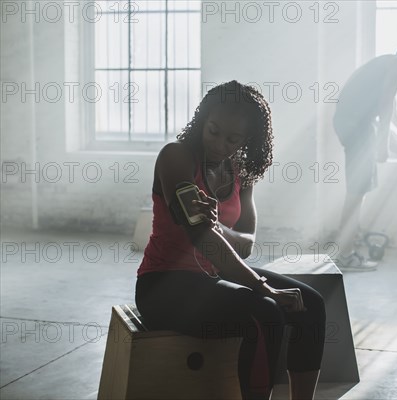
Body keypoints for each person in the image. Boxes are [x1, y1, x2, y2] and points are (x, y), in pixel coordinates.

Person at [135, 81, 326, 400]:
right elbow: (199, 236)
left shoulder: (241, 172)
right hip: (163, 286)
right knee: (265, 314)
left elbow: (246, 243)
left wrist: (219, 228)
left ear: (247, 140)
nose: (220, 144)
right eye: (213, 131)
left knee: (311, 305)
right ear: (202, 122)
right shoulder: (177, 157)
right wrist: (263, 288)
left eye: (233, 139)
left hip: (216, 278)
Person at [333, 43, 397, 271]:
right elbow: (384, 105)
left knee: (357, 193)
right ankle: (345, 256)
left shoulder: (384, 67)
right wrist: (382, 146)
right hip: (357, 126)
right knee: (356, 195)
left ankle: (346, 251)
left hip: (351, 124)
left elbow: (391, 107)